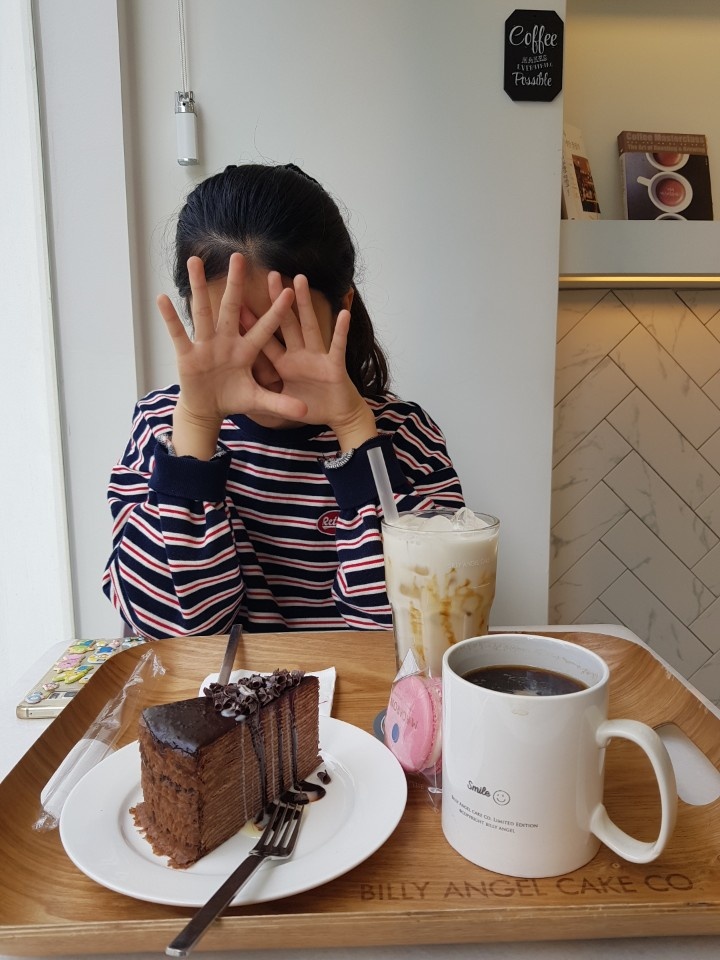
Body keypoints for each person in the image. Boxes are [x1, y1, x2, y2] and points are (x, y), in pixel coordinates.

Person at [103, 162, 464, 640]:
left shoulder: (405, 436)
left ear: (343, 308)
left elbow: (417, 628)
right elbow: (170, 633)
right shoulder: (162, 431)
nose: (264, 369)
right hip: (219, 688)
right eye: (235, 334)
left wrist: (354, 429)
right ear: (195, 314)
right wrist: (196, 426)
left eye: (284, 331)